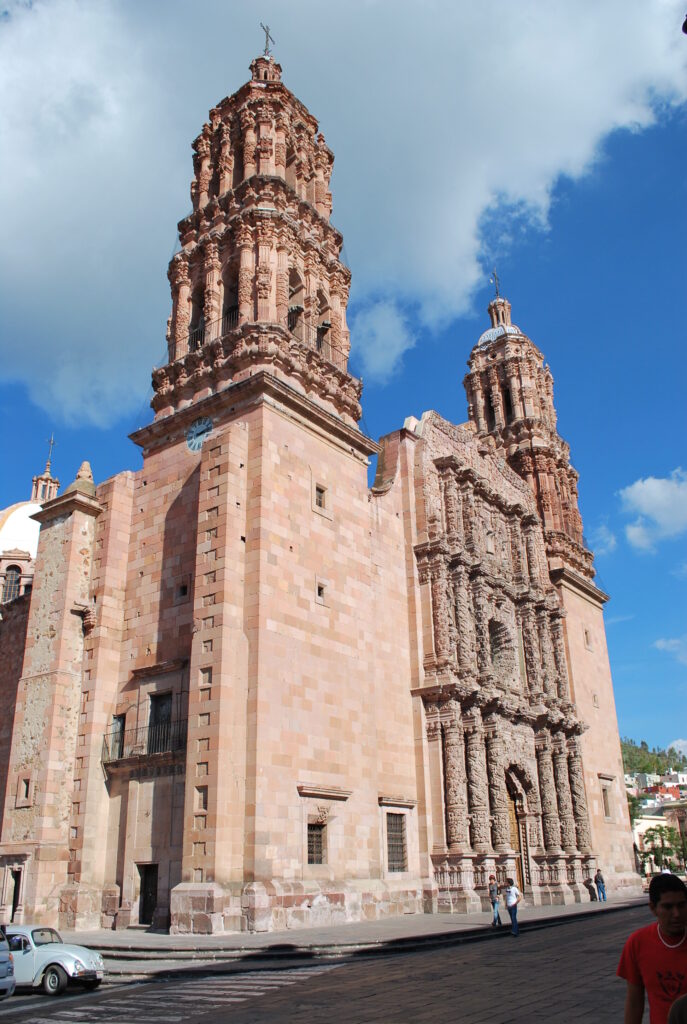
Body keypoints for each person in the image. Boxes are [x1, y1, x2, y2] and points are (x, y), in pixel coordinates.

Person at [617, 873, 687, 1024]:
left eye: (681, 905)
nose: (676, 914)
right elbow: (634, 1002)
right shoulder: (637, 943)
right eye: (668, 907)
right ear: (653, 908)